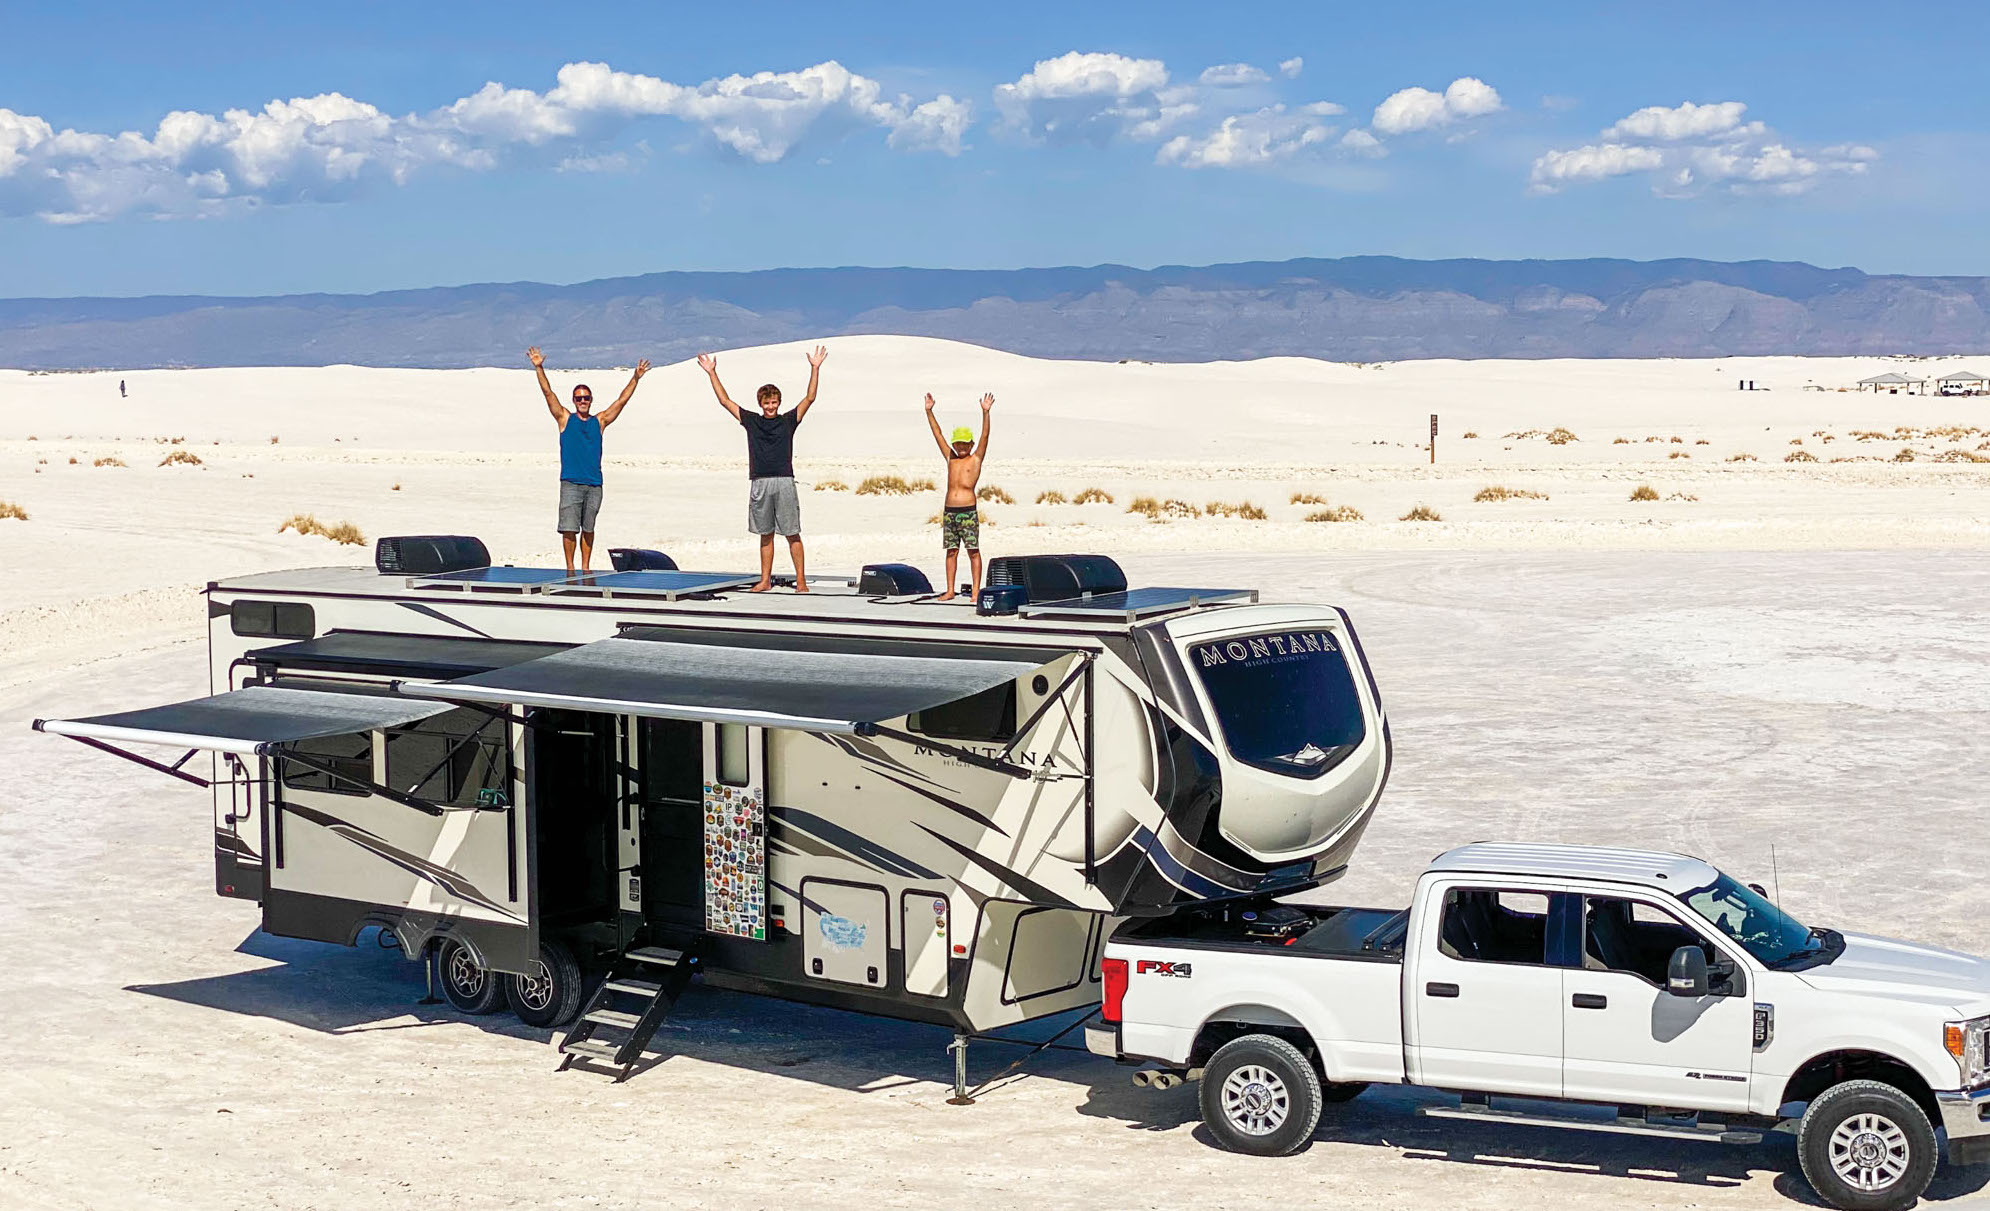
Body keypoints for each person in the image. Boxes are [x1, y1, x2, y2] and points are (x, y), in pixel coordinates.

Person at [697, 346, 827, 592]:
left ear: (779, 403)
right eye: (767, 403)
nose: (771, 406)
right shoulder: (752, 421)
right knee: (765, 534)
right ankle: (765, 580)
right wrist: (712, 373)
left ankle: (800, 580)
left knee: (792, 533)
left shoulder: (788, 420)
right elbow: (725, 401)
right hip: (760, 482)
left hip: (784, 481)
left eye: (774, 402)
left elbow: (809, 398)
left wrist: (815, 368)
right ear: (761, 403)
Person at [528, 346, 650, 575]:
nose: (582, 401)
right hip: (571, 482)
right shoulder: (565, 418)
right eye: (578, 398)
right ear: (574, 401)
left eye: (586, 398)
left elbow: (621, 402)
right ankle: (570, 568)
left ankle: (585, 567)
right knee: (568, 528)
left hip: (594, 484)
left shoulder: (600, 421)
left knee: (589, 528)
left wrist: (635, 378)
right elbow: (548, 394)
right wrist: (539, 367)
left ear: (591, 400)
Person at [924, 392, 994, 600]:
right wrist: (929, 411)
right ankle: (950, 590)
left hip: (967, 511)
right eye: (958, 443)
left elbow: (985, 436)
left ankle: (975, 591)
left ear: (970, 444)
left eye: (965, 443)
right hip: (950, 512)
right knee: (951, 551)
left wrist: (985, 413)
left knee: (973, 550)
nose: (961, 447)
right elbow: (938, 435)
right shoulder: (950, 458)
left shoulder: (976, 459)